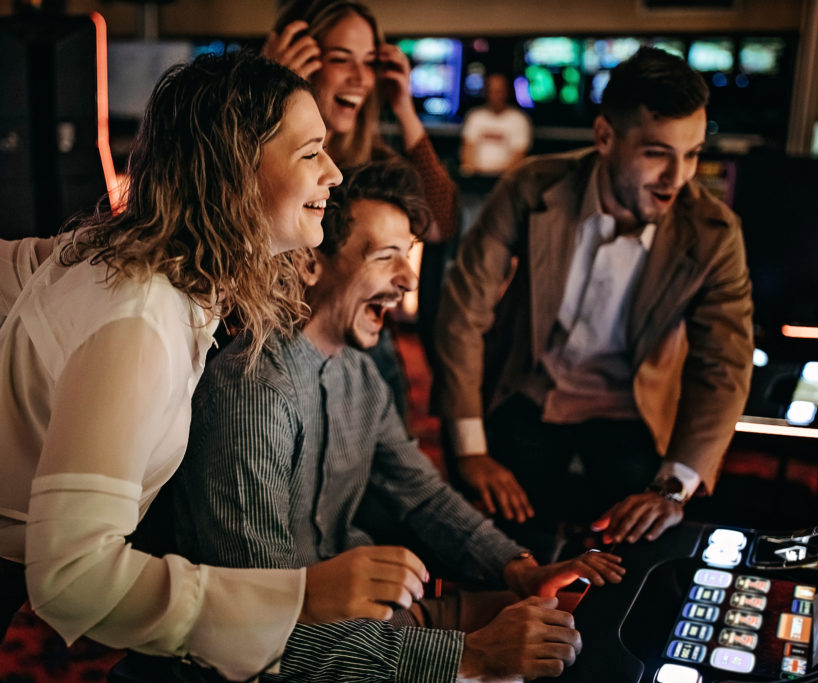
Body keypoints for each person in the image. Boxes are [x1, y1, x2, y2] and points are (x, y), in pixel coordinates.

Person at [0, 52, 428, 682]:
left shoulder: (108, 258)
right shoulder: (140, 316)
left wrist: (19, 363)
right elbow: (73, 581)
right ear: (235, 168)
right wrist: (301, 598)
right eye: (311, 152)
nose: (336, 173)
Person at [117, 159, 624, 683]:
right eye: (387, 258)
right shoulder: (253, 395)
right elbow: (259, 629)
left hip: (358, 622)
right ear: (310, 263)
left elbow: (422, 494)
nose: (408, 280)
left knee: (567, 628)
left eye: (408, 257)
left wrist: (518, 567)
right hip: (264, 659)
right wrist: (468, 657)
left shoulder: (359, 371)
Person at [434, 47, 754, 557]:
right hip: (527, 391)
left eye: (691, 153)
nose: (678, 177)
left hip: (632, 413)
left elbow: (725, 365)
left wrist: (673, 485)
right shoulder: (531, 186)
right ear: (605, 137)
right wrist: (470, 450)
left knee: (634, 556)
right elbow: (463, 312)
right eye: (657, 153)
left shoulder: (714, 234)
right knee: (498, 549)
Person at [262, 0, 461, 399]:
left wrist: (403, 106)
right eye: (341, 59)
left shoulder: (368, 159)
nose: (360, 78)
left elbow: (441, 223)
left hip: (362, 349)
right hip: (271, 350)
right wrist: (269, 88)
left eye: (369, 62)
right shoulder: (259, 150)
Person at [460, 72, 533, 176]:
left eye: (499, 91)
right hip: (477, 177)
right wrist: (471, 172)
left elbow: (519, 157)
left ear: (506, 92)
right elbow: (467, 149)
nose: (495, 96)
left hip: (505, 178)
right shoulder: (475, 116)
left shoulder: (519, 119)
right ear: (486, 92)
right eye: (491, 91)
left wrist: (503, 176)